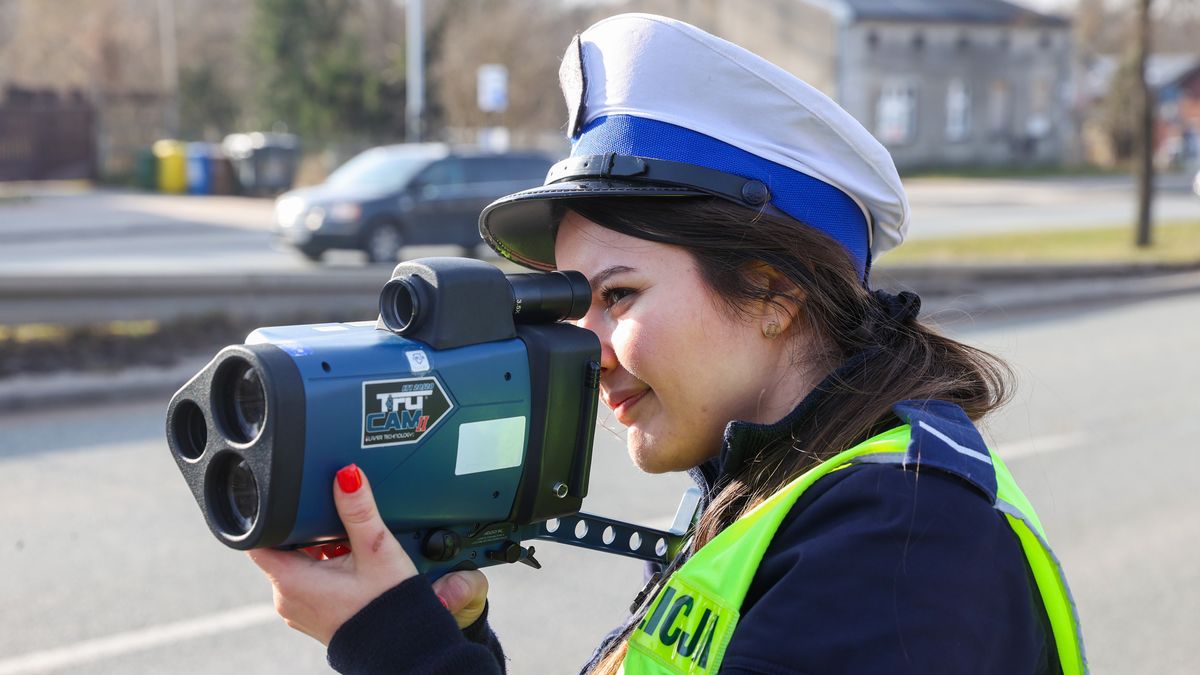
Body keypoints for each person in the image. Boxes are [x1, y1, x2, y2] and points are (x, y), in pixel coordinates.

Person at [248, 13, 1087, 674]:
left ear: (772, 290)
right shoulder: (769, 483)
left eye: (618, 295)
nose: (590, 349)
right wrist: (453, 644)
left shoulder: (901, 542)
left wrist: (398, 647)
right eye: (577, 304)